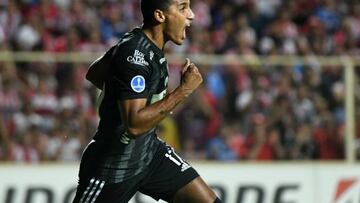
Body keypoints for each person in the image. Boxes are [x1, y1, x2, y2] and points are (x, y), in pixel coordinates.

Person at [72, 0, 222, 202]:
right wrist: (184, 90)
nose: (192, 15)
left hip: (149, 153)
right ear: (160, 16)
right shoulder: (135, 55)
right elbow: (134, 125)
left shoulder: (140, 44)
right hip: (113, 165)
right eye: (183, 7)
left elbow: (95, 74)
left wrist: (123, 93)